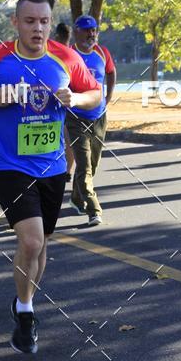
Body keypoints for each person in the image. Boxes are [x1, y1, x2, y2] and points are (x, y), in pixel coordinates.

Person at [0, 0, 101, 354]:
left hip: (53, 167)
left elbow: (96, 95)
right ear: (15, 23)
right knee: (32, 241)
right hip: (11, 165)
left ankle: (23, 299)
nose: (37, 28)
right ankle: (25, 313)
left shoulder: (65, 56)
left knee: (42, 247)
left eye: (43, 21)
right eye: (29, 21)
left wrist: (76, 98)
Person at [66, 15, 116, 225]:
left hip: (99, 117)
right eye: (86, 30)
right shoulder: (69, 55)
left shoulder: (102, 52)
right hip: (77, 118)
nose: (91, 34)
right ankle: (93, 209)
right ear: (76, 32)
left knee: (92, 165)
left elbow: (111, 73)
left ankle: (77, 199)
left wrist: (107, 98)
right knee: (84, 165)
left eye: (94, 30)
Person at [53, 22, 75, 181]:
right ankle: (68, 171)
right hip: (75, 103)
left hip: (63, 101)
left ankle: (63, 170)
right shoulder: (74, 54)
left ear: (57, 36)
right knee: (69, 138)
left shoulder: (53, 54)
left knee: (64, 136)